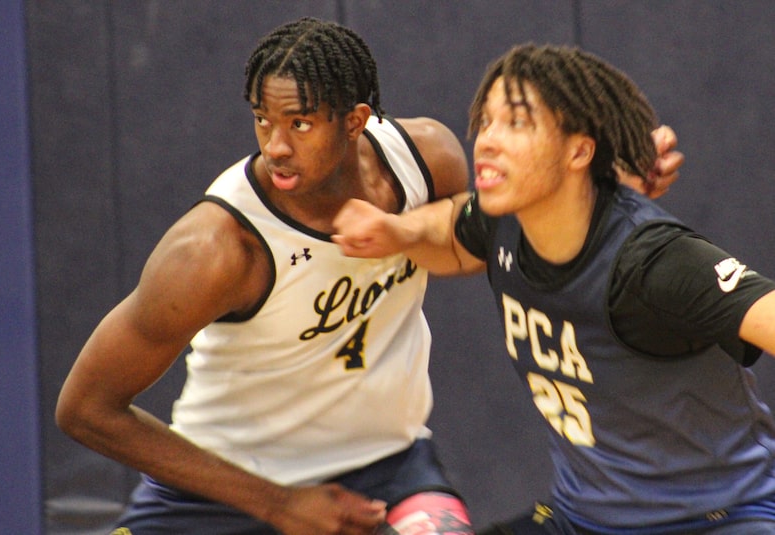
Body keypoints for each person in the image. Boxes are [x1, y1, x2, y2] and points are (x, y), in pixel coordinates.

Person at [56, 17, 681, 535]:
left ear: (354, 121)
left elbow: (508, 252)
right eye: (262, 120)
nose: (275, 145)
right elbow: (85, 409)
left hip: (386, 471)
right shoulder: (216, 249)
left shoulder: (427, 160)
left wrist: (612, 202)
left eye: (299, 123)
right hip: (217, 494)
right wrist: (276, 503)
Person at [332, 43, 775, 534]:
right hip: (580, 521)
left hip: (716, 519)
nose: (487, 140)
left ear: (579, 150)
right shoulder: (503, 223)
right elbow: (453, 230)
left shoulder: (651, 260)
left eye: (516, 123)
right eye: (487, 121)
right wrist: (399, 233)